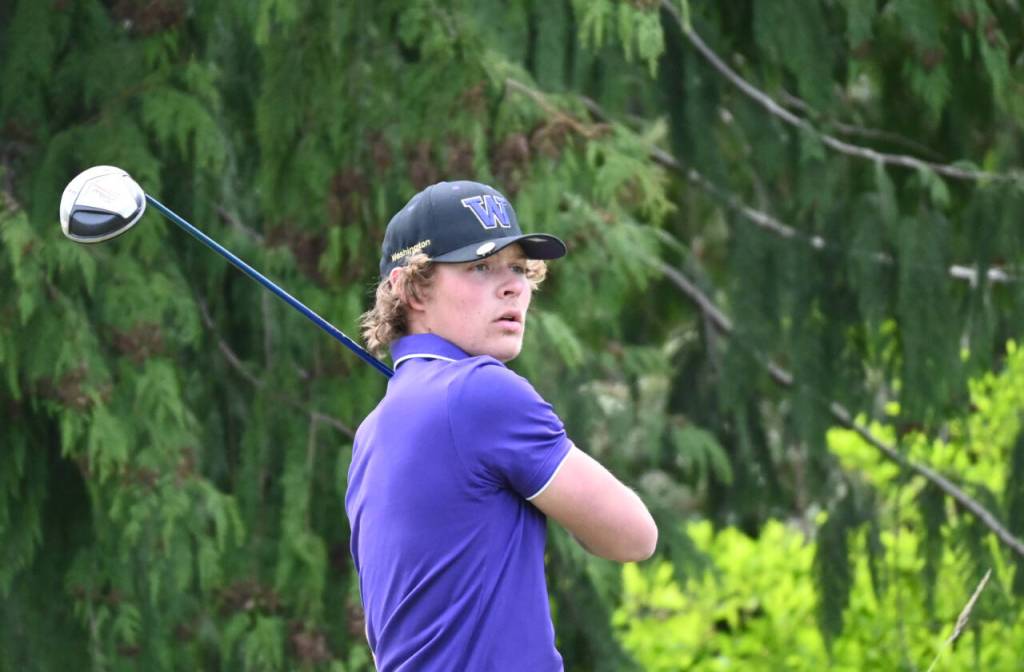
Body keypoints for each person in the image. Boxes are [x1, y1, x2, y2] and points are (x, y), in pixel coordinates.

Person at [345, 180, 658, 671]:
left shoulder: (372, 433)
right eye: (480, 267)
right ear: (412, 289)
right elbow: (633, 536)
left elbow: (380, 635)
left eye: (517, 268)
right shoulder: (482, 391)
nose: (513, 286)